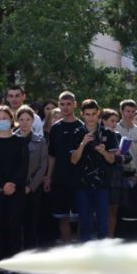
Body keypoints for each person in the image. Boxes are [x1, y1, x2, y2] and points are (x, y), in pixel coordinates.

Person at [0, 106, 28, 274]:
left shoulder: (20, 142)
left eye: (5, 118)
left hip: (16, 192)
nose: (2, 121)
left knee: (15, 229)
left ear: (11, 120)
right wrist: (2, 185)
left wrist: (13, 183)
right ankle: (0, 267)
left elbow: (23, 165)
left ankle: (15, 268)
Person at [71, 100, 117, 243]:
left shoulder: (108, 133)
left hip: (102, 184)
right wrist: (82, 144)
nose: (90, 117)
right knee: (85, 222)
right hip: (82, 184)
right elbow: (73, 160)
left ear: (98, 114)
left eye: (93, 114)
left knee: (103, 222)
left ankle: (103, 252)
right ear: (82, 114)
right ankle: (85, 252)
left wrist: (103, 152)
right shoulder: (77, 132)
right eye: (87, 114)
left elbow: (112, 160)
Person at [46, 91, 84, 244]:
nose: (65, 107)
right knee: (63, 217)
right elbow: (52, 155)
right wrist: (49, 177)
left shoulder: (82, 127)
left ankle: (81, 249)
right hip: (59, 179)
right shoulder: (55, 128)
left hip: (79, 179)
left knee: (81, 216)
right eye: (62, 104)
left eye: (69, 104)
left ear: (75, 105)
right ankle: (67, 249)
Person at [114, 99, 137, 237]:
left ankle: (135, 239)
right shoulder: (115, 128)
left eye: (133, 111)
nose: (130, 114)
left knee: (134, 211)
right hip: (116, 175)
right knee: (117, 210)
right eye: (127, 111)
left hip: (134, 175)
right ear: (121, 111)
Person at [16, 105, 48, 250]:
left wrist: (31, 187)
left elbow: (43, 165)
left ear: (32, 121)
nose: (24, 122)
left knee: (31, 224)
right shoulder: (11, 139)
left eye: (28, 119)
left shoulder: (40, 141)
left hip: (33, 189)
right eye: (21, 119)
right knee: (15, 224)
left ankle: (30, 252)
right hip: (15, 188)